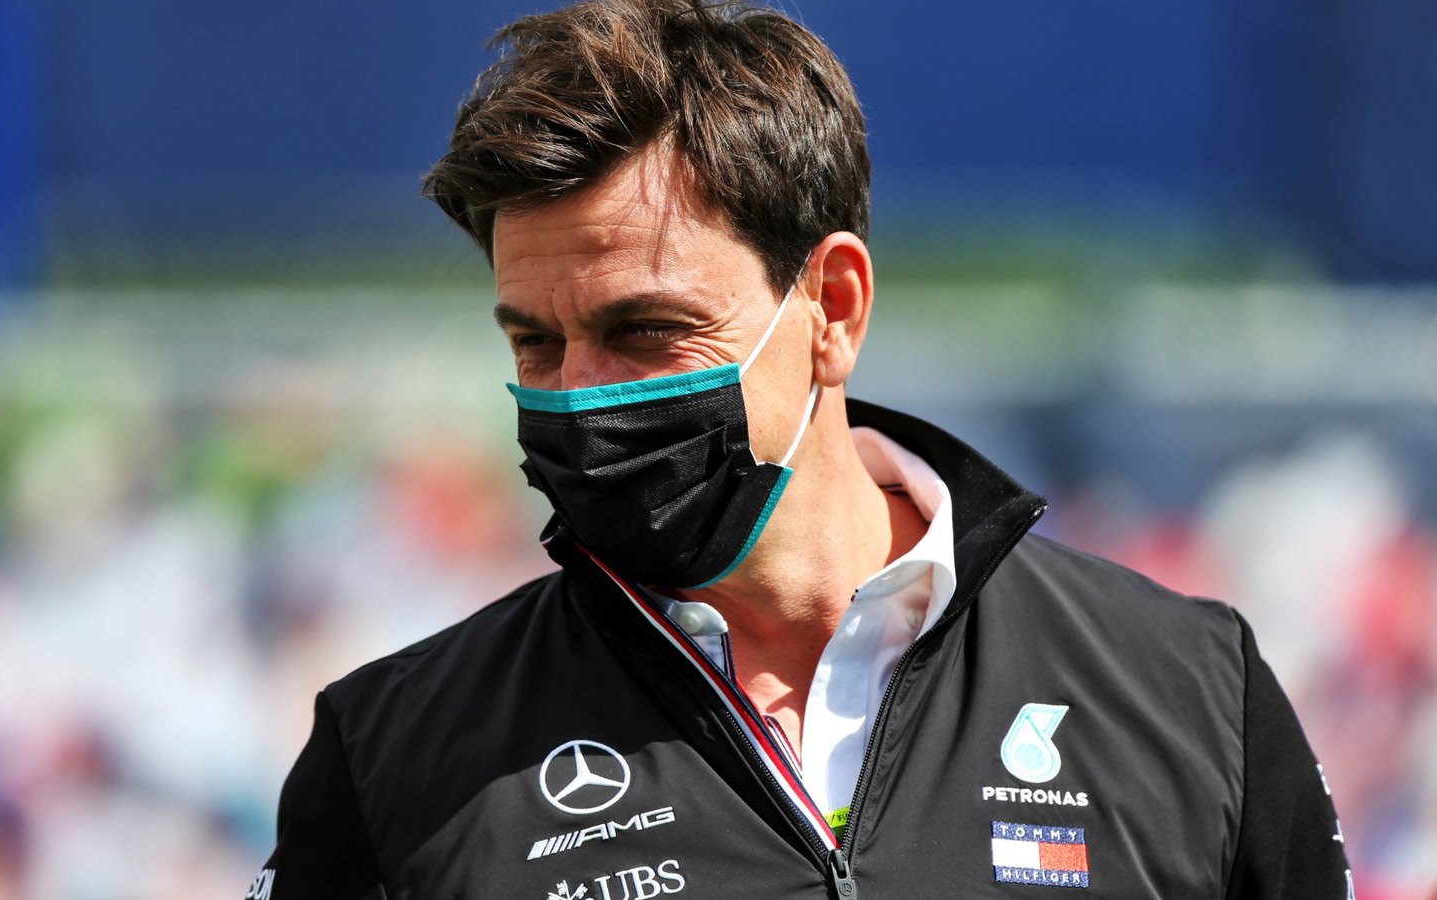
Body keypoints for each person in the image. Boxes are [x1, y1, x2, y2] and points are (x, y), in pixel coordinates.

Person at [247, 1, 1351, 897]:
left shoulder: (1192, 693)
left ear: (833, 307)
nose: (581, 396)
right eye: (535, 343)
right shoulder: (392, 754)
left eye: (645, 330)